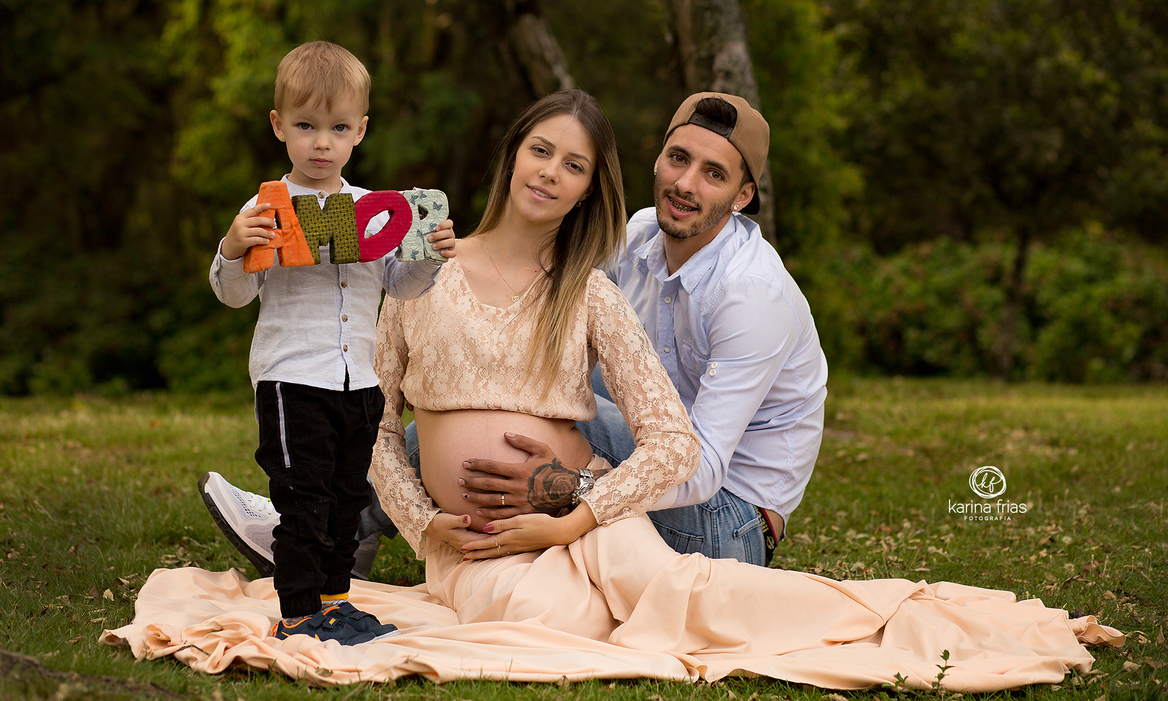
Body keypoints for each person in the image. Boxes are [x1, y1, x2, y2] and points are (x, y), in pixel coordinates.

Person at [201, 91, 824, 572]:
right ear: (657, 158)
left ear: (743, 196)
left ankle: (321, 525)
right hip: (642, 448)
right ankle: (321, 526)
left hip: (724, 517)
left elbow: (699, 463)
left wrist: (566, 493)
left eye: (714, 174)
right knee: (469, 402)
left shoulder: (753, 296)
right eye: (679, 158)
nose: (686, 183)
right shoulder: (639, 237)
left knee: (509, 416)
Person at [208, 40, 456, 646]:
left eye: (338, 127)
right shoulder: (265, 210)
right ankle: (297, 613)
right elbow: (233, 294)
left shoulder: (375, 211)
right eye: (306, 125)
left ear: (360, 132)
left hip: (359, 382)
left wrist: (431, 255)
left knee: (347, 498)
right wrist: (233, 248)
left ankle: (336, 602)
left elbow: (399, 284)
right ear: (279, 127)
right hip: (292, 378)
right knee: (303, 500)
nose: (322, 142)